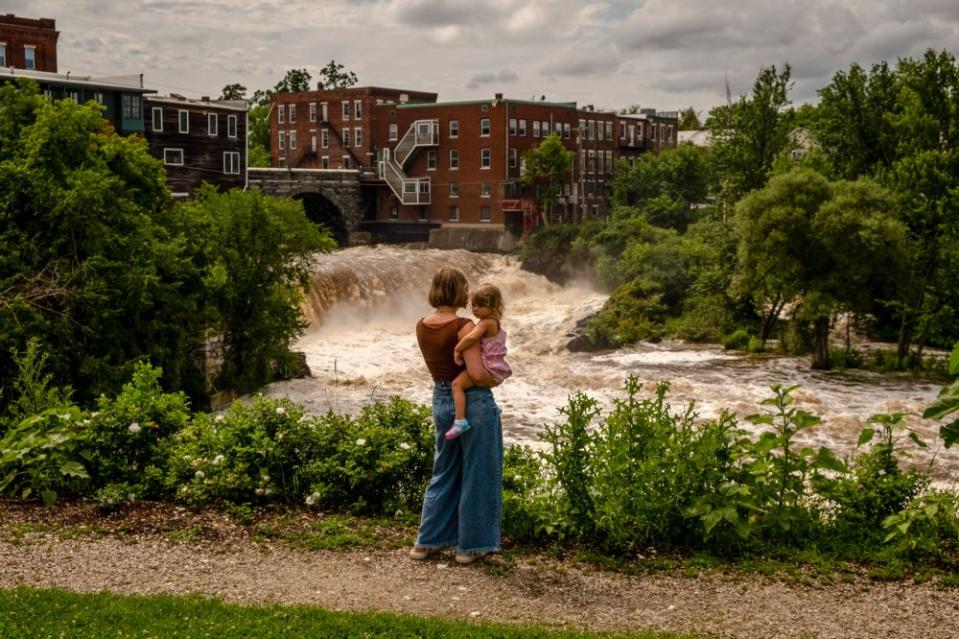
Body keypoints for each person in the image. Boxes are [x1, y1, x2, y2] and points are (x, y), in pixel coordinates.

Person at [410, 267, 503, 565]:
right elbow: (476, 373)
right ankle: (471, 547)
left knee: (444, 471)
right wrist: (496, 378)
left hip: (441, 399)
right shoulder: (465, 326)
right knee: (479, 473)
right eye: (465, 288)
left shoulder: (422, 325)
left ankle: (426, 543)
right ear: (459, 292)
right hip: (473, 402)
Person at [446, 283, 512, 440]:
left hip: (488, 369)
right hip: (493, 369)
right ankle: (489, 409)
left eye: (481, 305)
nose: (475, 309)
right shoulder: (494, 321)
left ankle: (460, 421)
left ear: (494, 306)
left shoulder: (485, 323)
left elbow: (471, 337)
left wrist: (458, 349)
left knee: (456, 385)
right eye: (473, 305)